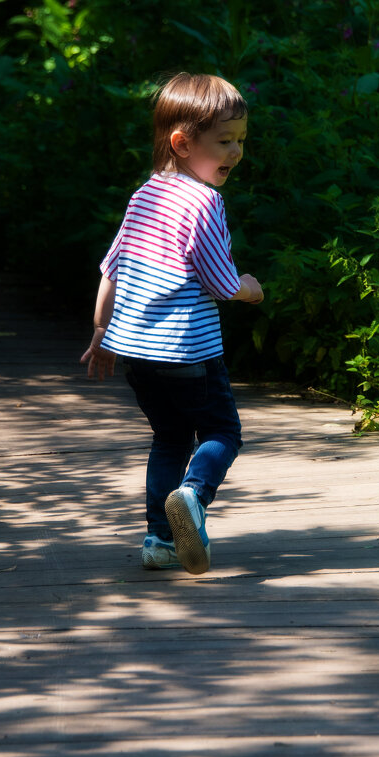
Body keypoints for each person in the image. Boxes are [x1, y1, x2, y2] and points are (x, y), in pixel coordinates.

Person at [80, 72, 264, 575]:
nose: (235, 153)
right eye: (224, 142)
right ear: (182, 144)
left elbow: (111, 270)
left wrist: (101, 335)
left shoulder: (145, 196)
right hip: (190, 354)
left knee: (169, 438)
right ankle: (194, 494)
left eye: (240, 141)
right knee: (223, 432)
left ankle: (160, 542)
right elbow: (220, 281)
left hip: (138, 355)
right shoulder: (205, 202)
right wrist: (249, 286)